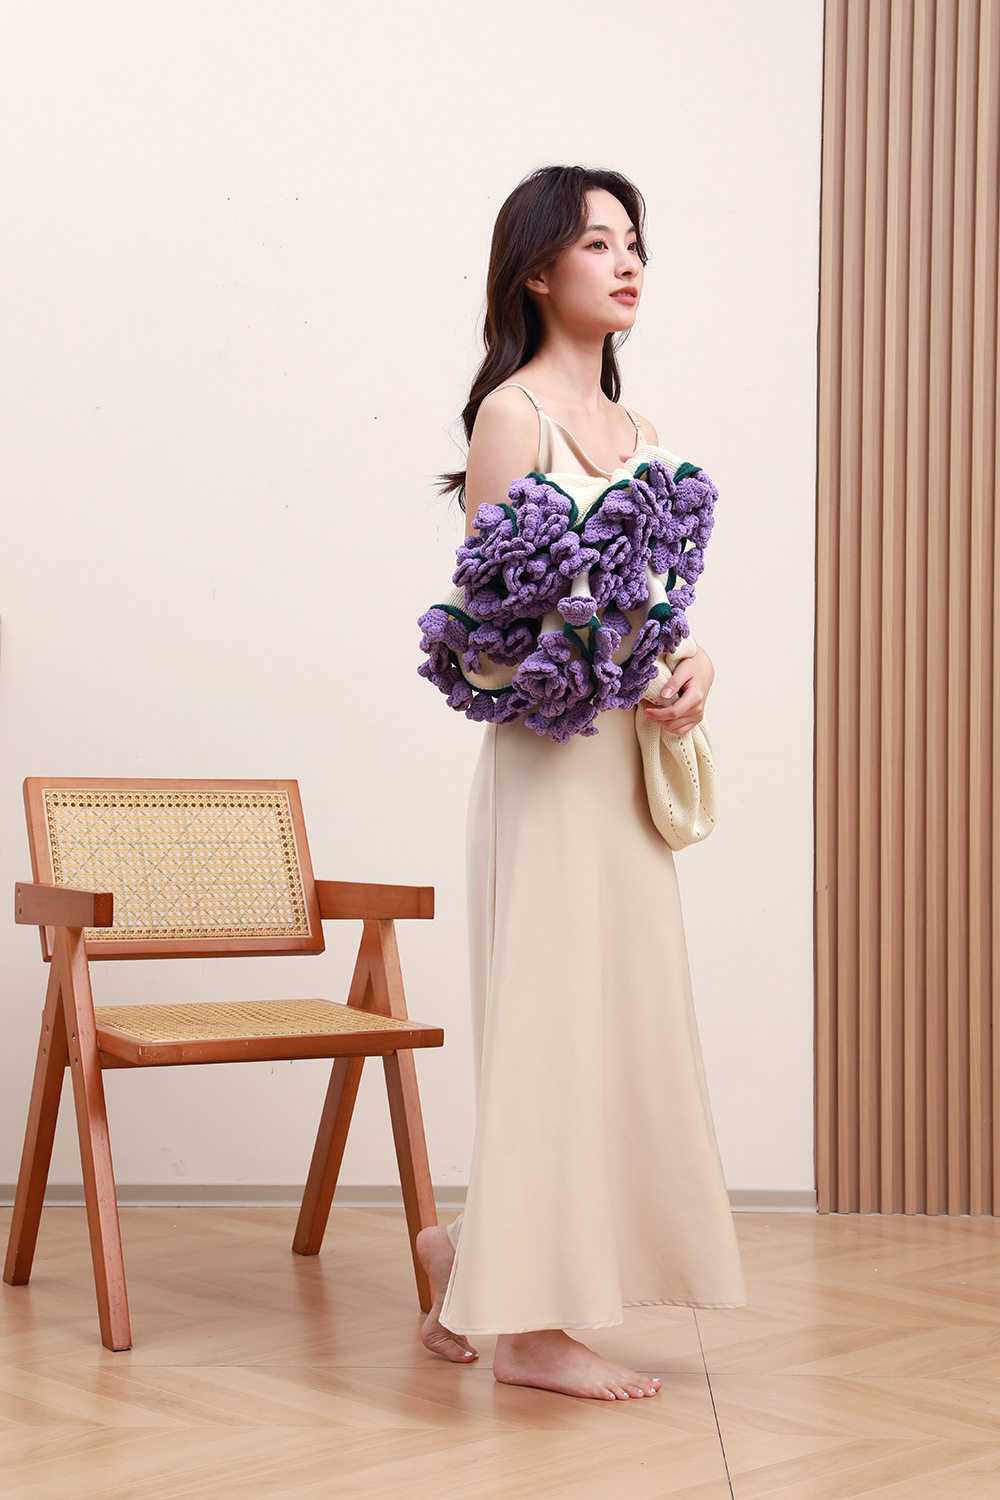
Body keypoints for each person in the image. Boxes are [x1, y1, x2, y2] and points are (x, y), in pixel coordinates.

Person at [416, 165, 746, 1402]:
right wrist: (602, 650)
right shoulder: (512, 419)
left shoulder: (644, 436)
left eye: (632, 241)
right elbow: (492, 632)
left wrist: (691, 661)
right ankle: (530, 1331)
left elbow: (658, 610)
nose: (626, 261)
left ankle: (467, 1258)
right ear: (536, 272)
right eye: (597, 242)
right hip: (550, 767)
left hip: (623, 773)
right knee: (550, 1028)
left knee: (618, 1023)